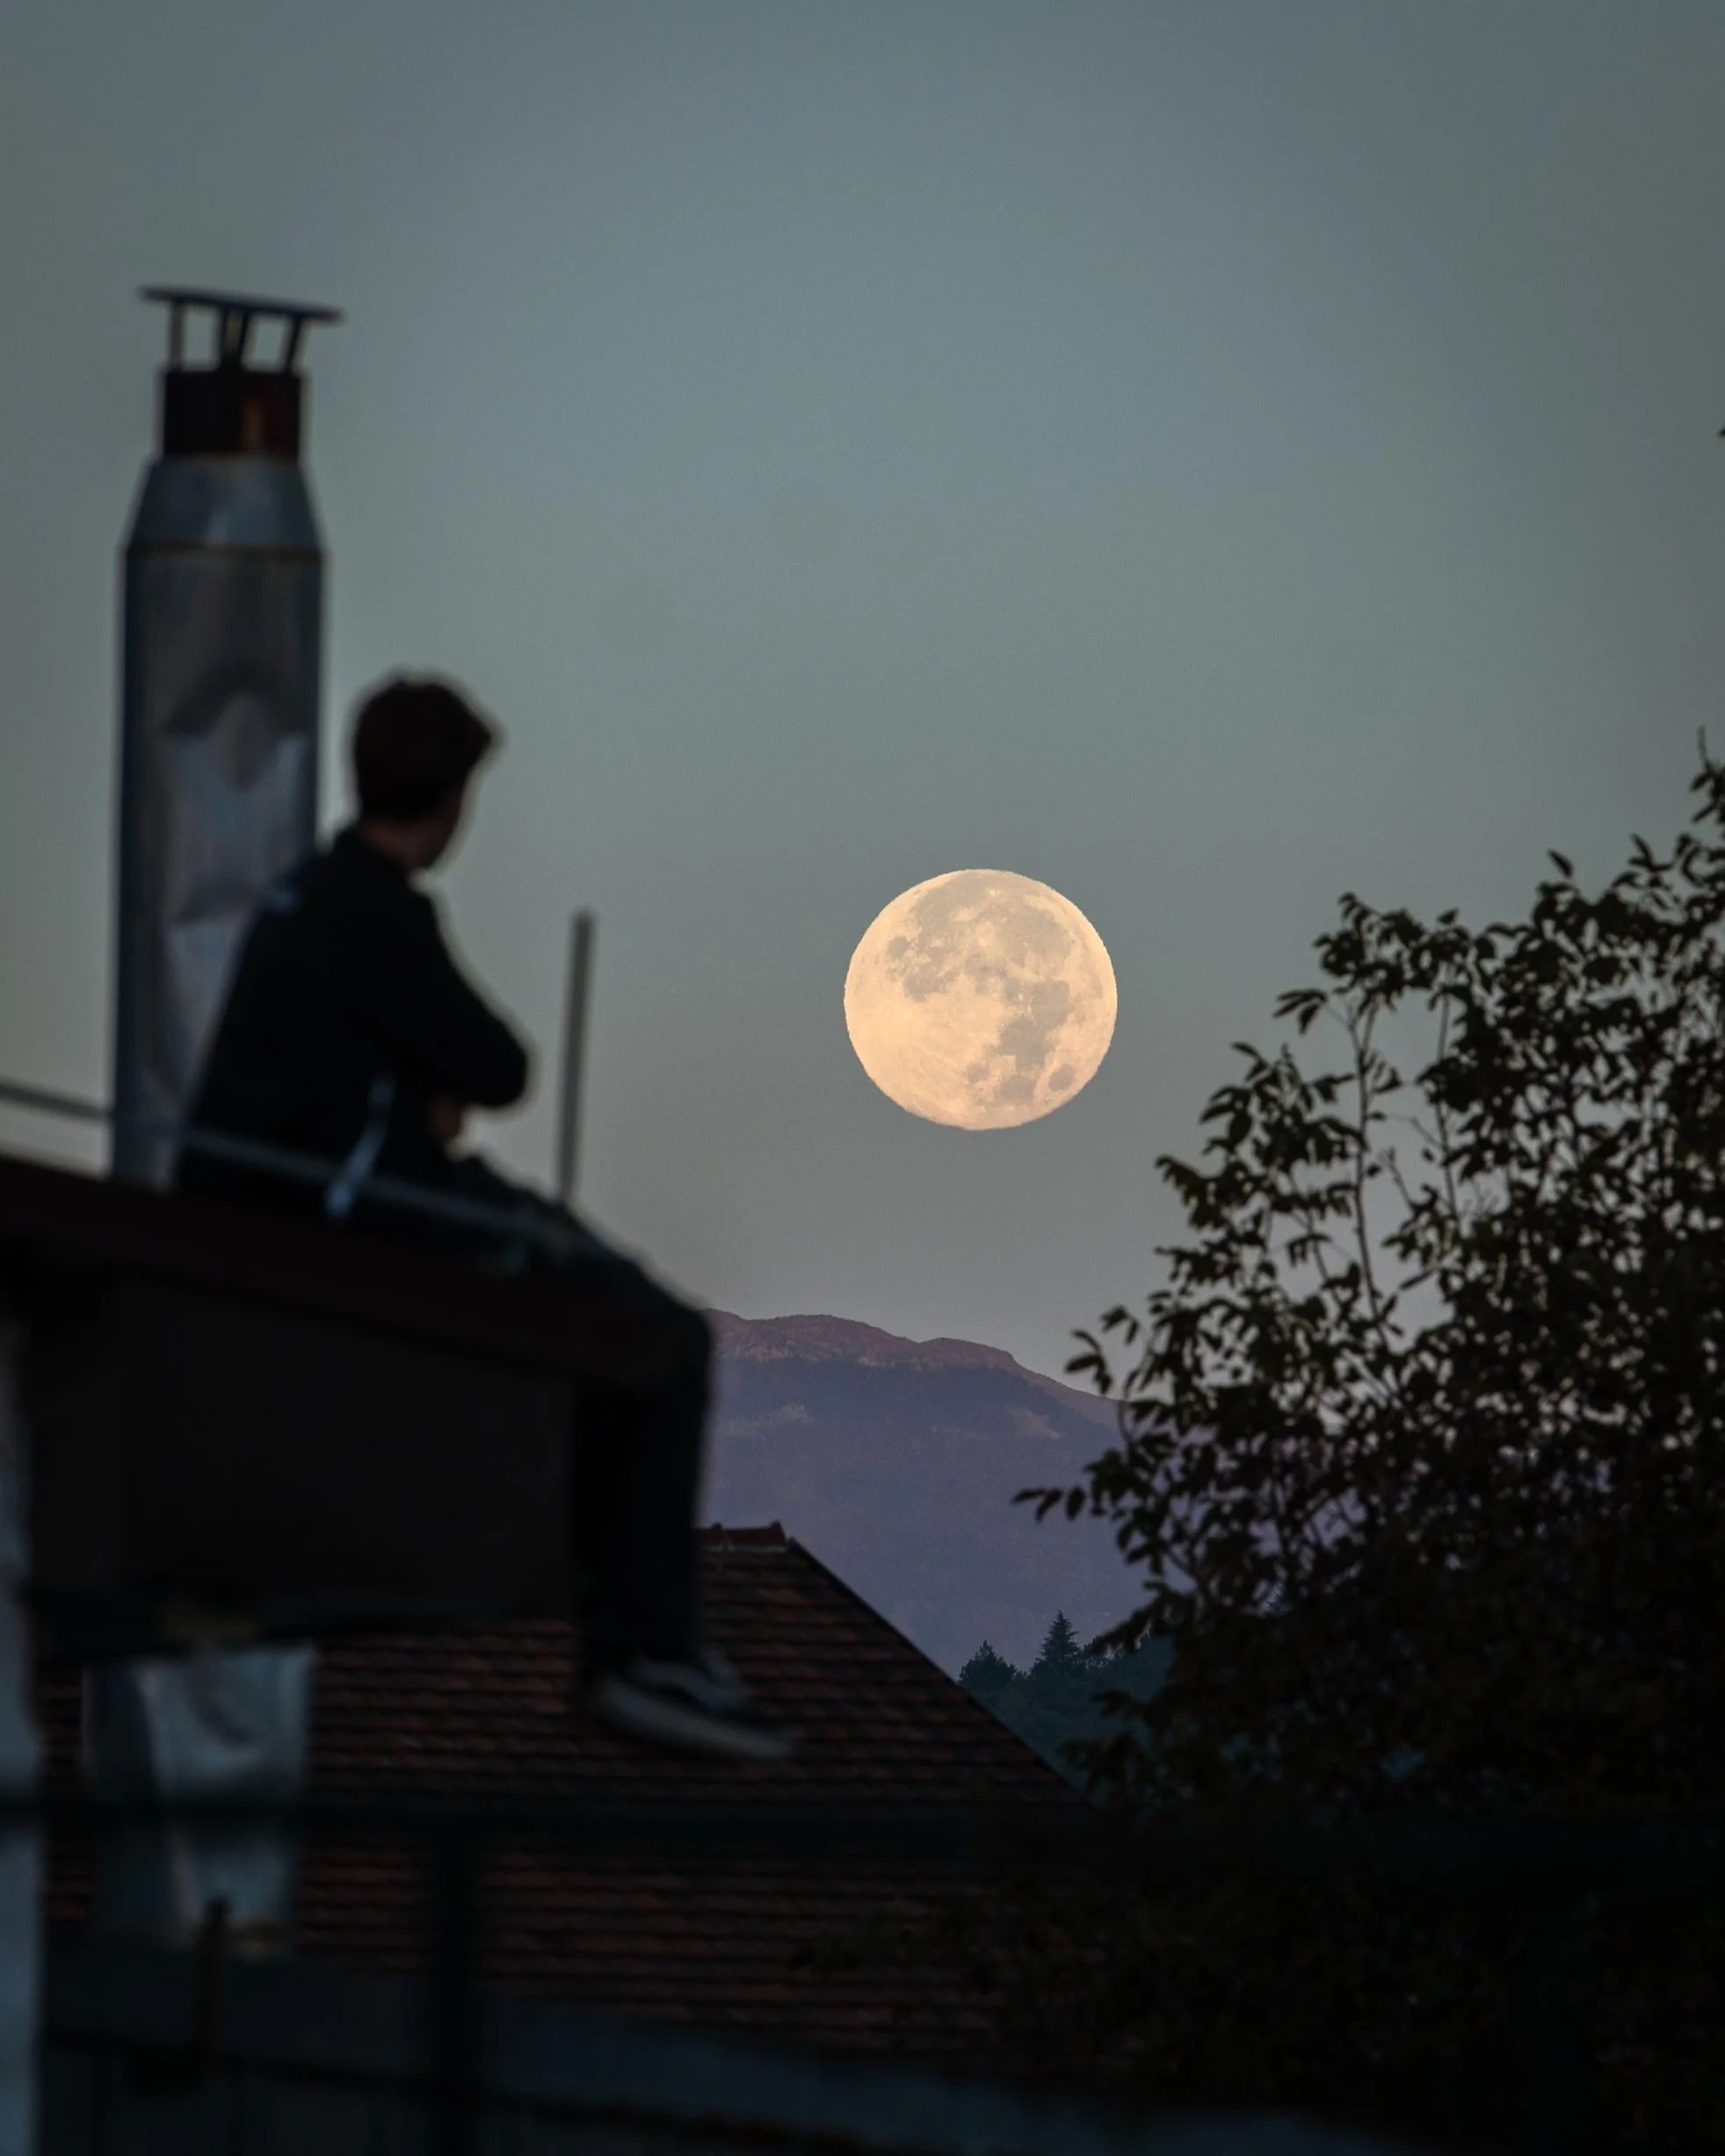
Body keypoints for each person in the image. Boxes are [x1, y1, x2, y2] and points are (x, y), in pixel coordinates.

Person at [178, 674, 791, 1763]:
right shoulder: (372, 911)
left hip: (282, 1216)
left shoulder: (299, 900)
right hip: (367, 1218)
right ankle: (642, 1649)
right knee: (654, 1334)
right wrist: (424, 1088)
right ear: (455, 798)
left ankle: (634, 1630)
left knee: (618, 1323)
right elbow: (498, 1066)